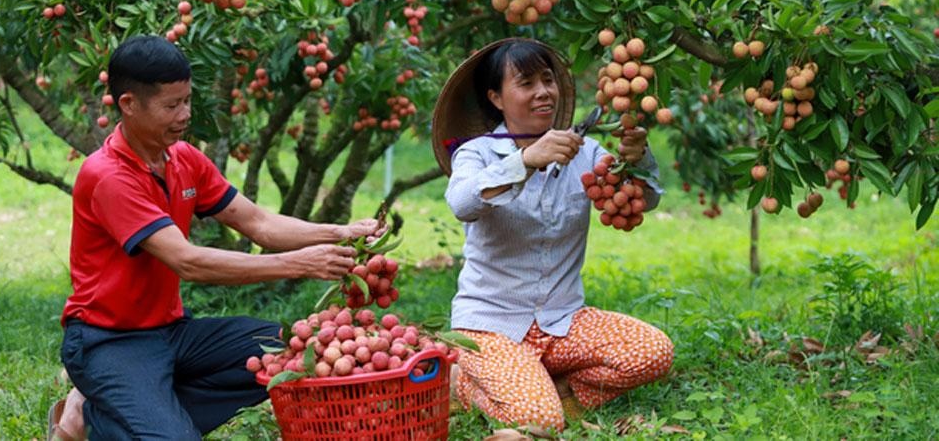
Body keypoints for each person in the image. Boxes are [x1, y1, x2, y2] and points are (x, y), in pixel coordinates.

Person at [49, 36, 381, 440]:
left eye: (187, 100)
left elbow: (258, 223)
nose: (184, 115)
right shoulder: (108, 175)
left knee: (294, 348)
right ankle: (102, 413)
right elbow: (187, 261)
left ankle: (107, 409)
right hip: (109, 340)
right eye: (171, 106)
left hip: (171, 331)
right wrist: (302, 263)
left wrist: (342, 232)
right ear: (129, 105)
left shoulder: (183, 158)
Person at [431, 38, 674, 432]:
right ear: (496, 97)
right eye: (526, 83)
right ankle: (466, 382)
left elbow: (641, 203)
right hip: (490, 325)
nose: (543, 92)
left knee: (652, 352)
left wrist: (637, 161)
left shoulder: (586, 151)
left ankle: (554, 389)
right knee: (537, 420)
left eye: (548, 80)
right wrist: (525, 161)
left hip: (561, 322)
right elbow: (463, 202)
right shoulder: (476, 153)